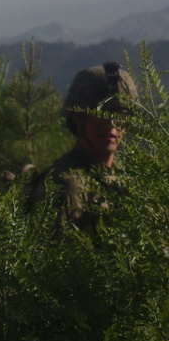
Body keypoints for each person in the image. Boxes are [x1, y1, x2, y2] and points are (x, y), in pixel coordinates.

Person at [30, 61, 138, 230]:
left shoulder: (127, 179)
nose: (111, 124)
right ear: (77, 118)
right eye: (101, 115)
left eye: (120, 115)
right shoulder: (66, 187)